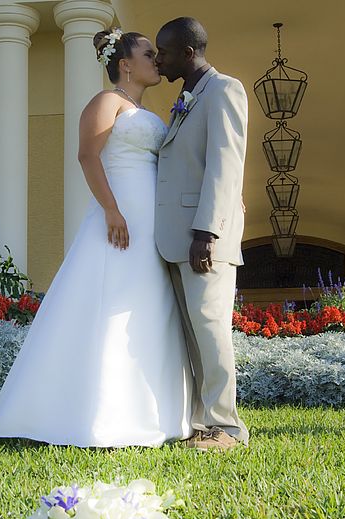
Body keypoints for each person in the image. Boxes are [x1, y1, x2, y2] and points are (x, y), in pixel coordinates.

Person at [0, 29, 194, 447]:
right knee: (105, 306)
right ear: (126, 64)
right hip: (117, 222)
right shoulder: (106, 102)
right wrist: (112, 209)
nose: (157, 60)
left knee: (145, 309)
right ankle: (80, 412)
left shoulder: (144, 110)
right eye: (148, 54)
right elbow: (87, 155)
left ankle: (154, 413)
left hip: (150, 226)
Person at [154, 17, 249, 450]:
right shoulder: (188, 96)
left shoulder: (225, 90)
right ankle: (202, 423)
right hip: (176, 240)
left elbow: (225, 168)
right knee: (193, 333)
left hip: (204, 239)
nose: (160, 59)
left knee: (211, 328)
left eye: (166, 52)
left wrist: (206, 232)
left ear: (188, 53)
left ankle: (227, 428)